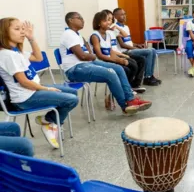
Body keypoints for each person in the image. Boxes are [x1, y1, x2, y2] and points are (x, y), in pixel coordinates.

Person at [0, 18, 78, 149]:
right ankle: (50, 122)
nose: (22, 32)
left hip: (33, 91)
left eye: (22, 29)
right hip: (25, 98)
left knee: (73, 92)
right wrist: (46, 89)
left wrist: (31, 38)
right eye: (17, 29)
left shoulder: (15, 52)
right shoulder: (7, 55)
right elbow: (24, 82)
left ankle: (49, 122)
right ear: (3, 32)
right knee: (72, 99)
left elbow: (38, 58)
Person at [60, 12, 151, 115]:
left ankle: (130, 99)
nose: (82, 20)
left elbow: (87, 51)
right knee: (110, 73)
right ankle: (125, 105)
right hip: (75, 69)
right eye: (79, 18)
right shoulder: (68, 34)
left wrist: (90, 54)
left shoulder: (77, 35)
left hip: (87, 64)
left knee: (118, 68)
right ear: (70, 20)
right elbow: (83, 56)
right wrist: (93, 56)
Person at [113, 8, 161, 86]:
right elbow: (122, 45)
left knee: (153, 50)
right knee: (149, 51)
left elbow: (129, 42)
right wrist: (135, 48)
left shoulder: (126, 27)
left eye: (125, 14)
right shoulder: (115, 28)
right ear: (115, 16)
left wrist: (137, 45)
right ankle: (147, 77)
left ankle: (150, 75)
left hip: (131, 48)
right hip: (125, 51)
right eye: (122, 14)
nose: (124, 16)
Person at [103, 10, 146, 93]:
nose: (110, 22)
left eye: (111, 20)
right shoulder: (104, 33)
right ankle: (127, 88)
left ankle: (134, 85)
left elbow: (125, 35)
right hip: (113, 56)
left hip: (118, 54)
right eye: (107, 20)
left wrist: (116, 27)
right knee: (131, 66)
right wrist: (121, 57)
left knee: (140, 60)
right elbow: (109, 51)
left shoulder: (112, 32)